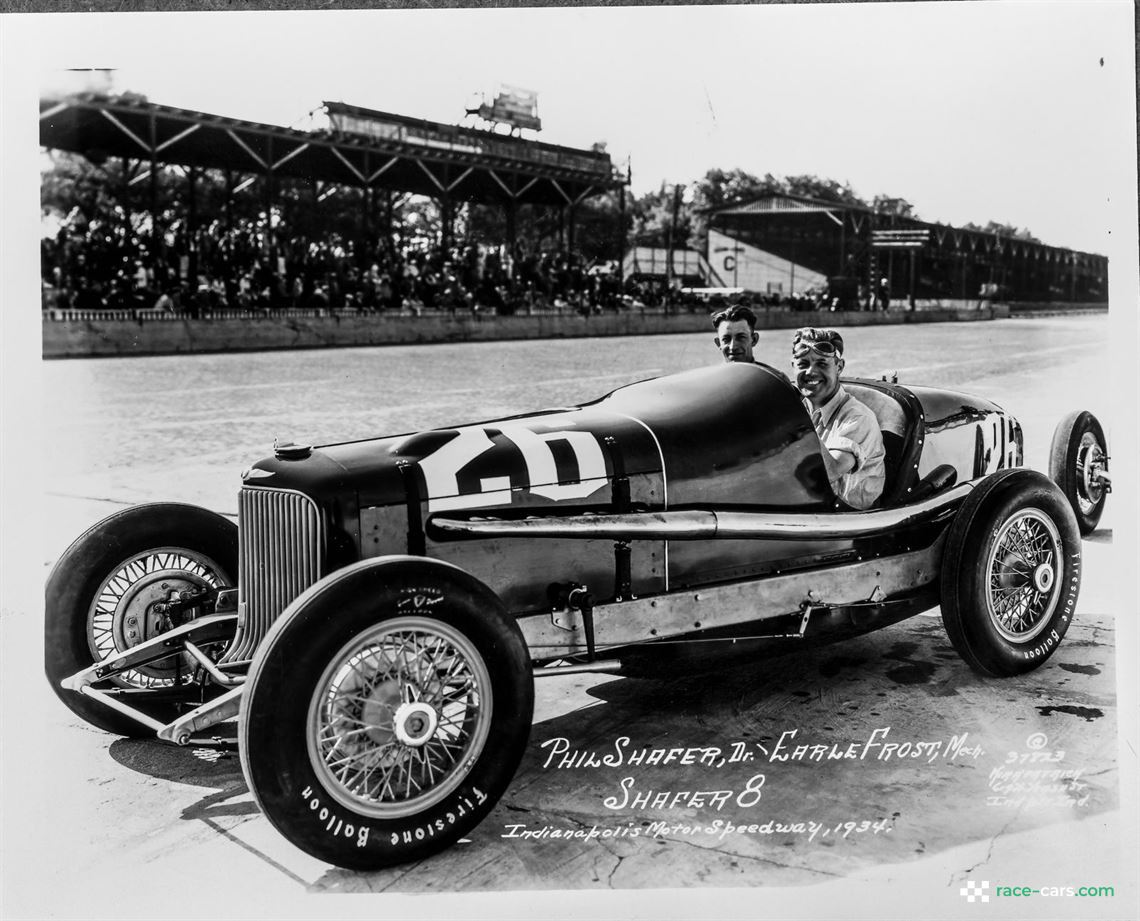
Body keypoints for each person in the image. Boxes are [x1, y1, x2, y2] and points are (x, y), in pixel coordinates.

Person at [791, 327, 885, 510]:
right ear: (793, 367)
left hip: (848, 522)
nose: (811, 372)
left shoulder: (858, 418)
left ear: (839, 367)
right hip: (810, 509)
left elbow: (828, 472)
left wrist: (793, 417)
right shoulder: (801, 409)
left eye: (822, 364)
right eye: (803, 364)